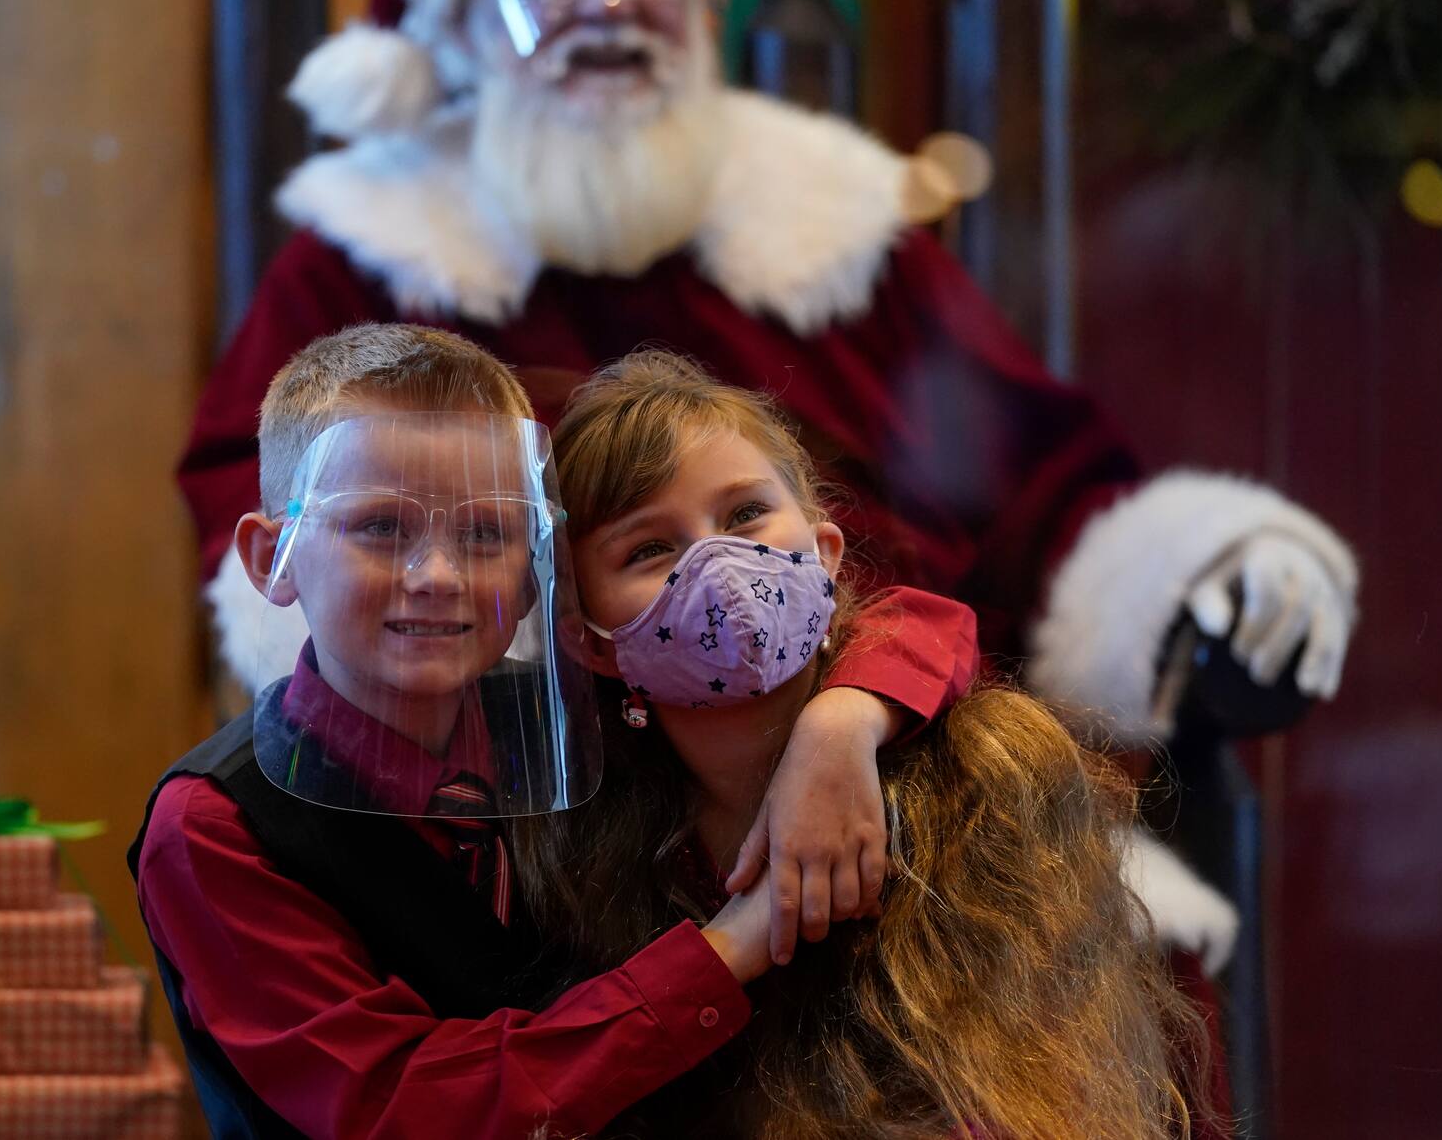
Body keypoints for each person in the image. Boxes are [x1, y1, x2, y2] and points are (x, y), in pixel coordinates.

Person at [178, 0, 1361, 968]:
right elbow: (282, 510)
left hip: (931, 745)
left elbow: (1038, 481)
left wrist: (1191, 564)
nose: (608, 9)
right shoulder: (377, 256)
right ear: (457, 30)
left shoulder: (830, 231)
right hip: (567, 803)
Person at [129, 323, 969, 1140]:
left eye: (487, 532)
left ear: (536, 577)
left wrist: (841, 722)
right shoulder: (215, 825)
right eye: (381, 526)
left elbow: (916, 622)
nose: (438, 576)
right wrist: (725, 950)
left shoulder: (570, 714)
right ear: (271, 557)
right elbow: (398, 1106)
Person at [517, 348, 1204, 1139]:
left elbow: (1033, 1091)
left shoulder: (987, 773)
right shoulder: (580, 845)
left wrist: (841, 722)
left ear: (827, 552)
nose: (718, 565)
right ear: (592, 642)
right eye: (649, 549)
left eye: (744, 515)